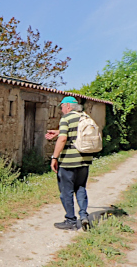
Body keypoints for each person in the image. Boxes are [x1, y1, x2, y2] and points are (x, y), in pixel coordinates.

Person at [45, 96, 92, 231]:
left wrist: (54, 157)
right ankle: (83, 216)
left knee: (66, 191)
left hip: (69, 162)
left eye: (62, 107)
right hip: (84, 160)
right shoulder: (85, 117)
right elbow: (75, 132)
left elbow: (63, 139)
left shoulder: (66, 118)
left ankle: (70, 220)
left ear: (68, 106)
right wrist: (58, 132)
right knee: (81, 187)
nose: (61, 110)